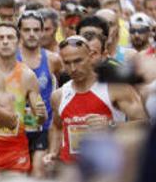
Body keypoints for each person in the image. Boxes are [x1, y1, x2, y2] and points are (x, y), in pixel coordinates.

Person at [45, 36, 147, 167]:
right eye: (67, 63)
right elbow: (57, 127)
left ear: (91, 56)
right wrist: (53, 153)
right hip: (72, 171)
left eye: (78, 61)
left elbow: (144, 124)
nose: (73, 68)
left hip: (107, 170)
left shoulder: (114, 87)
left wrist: (111, 126)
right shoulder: (59, 95)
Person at [0, 24, 46, 174]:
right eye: (1, 38)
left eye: (10, 37)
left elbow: (38, 120)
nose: (5, 41)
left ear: (18, 42)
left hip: (15, 152)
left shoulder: (27, 75)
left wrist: (40, 114)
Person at [17, 11, 62, 177]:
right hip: (17, 128)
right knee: (19, 177)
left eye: (36, 30)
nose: (31, 34)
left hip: (43, 127)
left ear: (42, 31)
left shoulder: (52, 59)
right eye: (27, 30)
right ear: (19, 32)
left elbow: (59, 87)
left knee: (38, 171)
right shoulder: (9, 58)